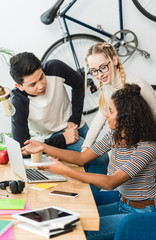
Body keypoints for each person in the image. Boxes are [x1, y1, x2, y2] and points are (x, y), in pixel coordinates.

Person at [22, 83, 156, 240]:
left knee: (78, 231)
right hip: (122, 204)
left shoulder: (146, 149)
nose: (106, 115)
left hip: (142, 214)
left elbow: (110, 182)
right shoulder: (115, 136)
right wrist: (43, 147)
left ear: (125, 117)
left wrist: (65, 170)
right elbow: (82, 157)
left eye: (111, 111)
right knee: (70, 220)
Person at [9, 52, 108, 190]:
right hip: (51, 137)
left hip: (75, 125)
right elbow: (23, 148)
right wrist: (63, 139)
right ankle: (92, 205)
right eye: (32, 84)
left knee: (100, 160)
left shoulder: (55, 67)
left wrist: (74, 119)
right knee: (99, 159)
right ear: (19, 86)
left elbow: (79, 83)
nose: (41, 86)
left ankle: (94, 202)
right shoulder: (18, 102)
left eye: (41, 77)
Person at [82, 42, 156, 178]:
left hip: (148, 152)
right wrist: (86, 147)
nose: (99, 75)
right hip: (130, 150)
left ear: (114, 60)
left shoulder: (138, 85)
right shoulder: (108, 85)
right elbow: (101, 116)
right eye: (94, 70)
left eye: (103, 67)